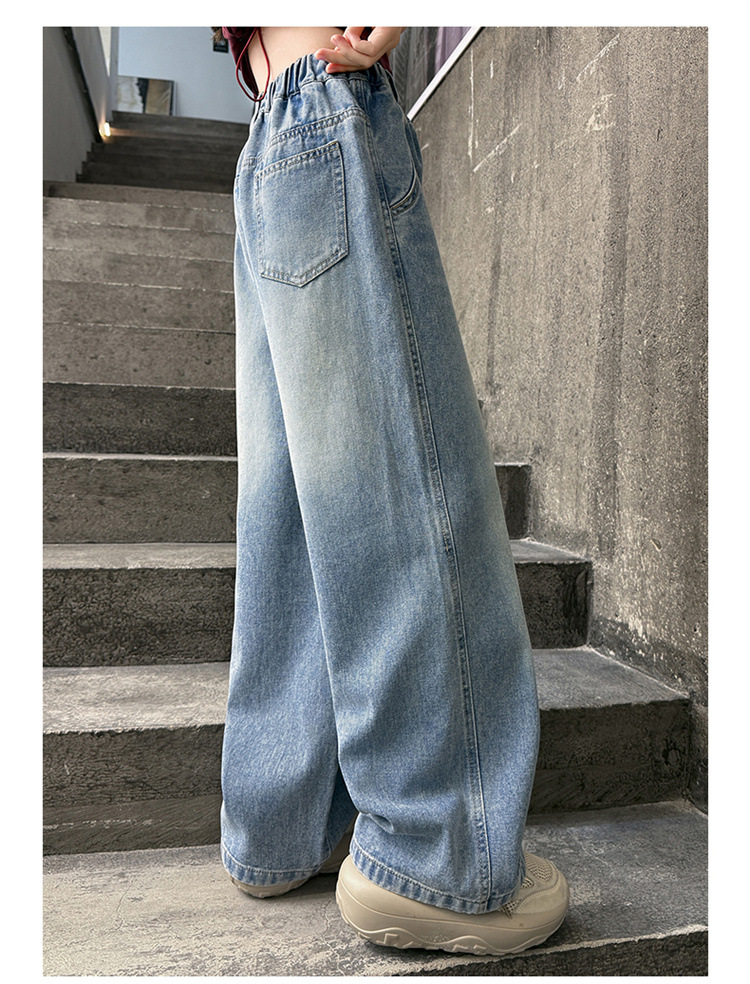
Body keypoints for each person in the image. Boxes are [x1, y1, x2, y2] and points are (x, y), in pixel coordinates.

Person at [216, 25, 569, 956]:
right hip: (334, 105)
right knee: (408, 492)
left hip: (271, 127)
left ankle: (280, 823)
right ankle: (438, 855)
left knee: (297, 508)